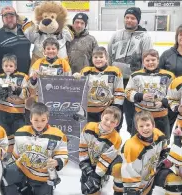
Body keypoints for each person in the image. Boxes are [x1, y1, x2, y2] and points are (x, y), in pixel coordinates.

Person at [122, 110, 182, 195]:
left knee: (176, 182)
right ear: (136, 128)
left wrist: (166, 152)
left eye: (148, 125)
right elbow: (128, 170)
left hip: (156, 171)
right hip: (142, 180)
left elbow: (164, 149)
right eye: (141, 126)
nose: (145, 129)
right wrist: (131, 192)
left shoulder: (158, 134)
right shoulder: (132, 146)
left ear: (153, 125)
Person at [108, 7, 153, 135]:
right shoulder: (116, 35)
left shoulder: (145, 37)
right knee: (114, 114)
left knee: (131, 115)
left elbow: (147, 59)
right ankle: (111, 140)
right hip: (116, 81)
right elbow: (109, 56)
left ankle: (133, 141)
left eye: (133, 18)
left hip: (131, 82)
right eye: (127, 17)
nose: (129, 20)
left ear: (138, 20)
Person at [0, 55, 34, 162]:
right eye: (6, 65)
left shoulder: (22, 77)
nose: (8, 68)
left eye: (11, 65)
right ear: (2, 66)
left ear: (15, 66)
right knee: (6, 133)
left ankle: (18, 153)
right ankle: (8, 152)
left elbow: (27, 93)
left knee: (19, 133)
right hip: (3, 112)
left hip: (18, 113)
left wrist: (16, 90)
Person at [79, 106, 123, 195]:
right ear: (102, 116)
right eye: (106, 119)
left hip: (108, 161)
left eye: (113, 122)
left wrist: (95, 176)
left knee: (118, 169)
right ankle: (101, 179)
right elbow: (82, 147)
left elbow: (105, 159)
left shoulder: (116, 139)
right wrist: (87, 167)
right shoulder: (89, 127)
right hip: (92, 160)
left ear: (116, 124)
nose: (108, 123)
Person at [125, 49, 175, 138]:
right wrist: (140, 96)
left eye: (153, 60)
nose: (150, 62)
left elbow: (174, 95)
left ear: (158, 61)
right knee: (137, 143)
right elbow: (128, 92)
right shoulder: (135, 75)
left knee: (162, 143)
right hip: (140, 116)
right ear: (143, 62)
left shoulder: (168, 76)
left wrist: (163, 102)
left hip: (161, 117)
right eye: (147, 60)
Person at [74, 46, 124, 127]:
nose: (98, 59)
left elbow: (119, 91)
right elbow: (78, 88)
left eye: (101, 57)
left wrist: (116, 107)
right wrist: (76, 79)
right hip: (89, 111)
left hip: (106, 110)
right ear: (92, 59)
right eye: (95, 57)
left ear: (106, 58)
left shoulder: (115, 71)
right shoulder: (86, 71)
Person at [25, 37, 72, 122]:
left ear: (57, 50)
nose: (51, 51)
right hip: (41, 98)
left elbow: (69, 80)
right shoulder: (38, 62)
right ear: (44, 50)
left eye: (53, 48)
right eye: (48, 49)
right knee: (42, 119)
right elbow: (31, 83)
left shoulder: (63, 63)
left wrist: (64, 92)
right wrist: (34, 78)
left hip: (58, 98)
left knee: (56, 120)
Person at [0, 6, 31, 79]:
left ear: (16, 17)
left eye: (12, 16)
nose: (9, 20)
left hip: (26, 77)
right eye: (6, 17)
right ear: (2, 19)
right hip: (6, 80)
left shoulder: (25, 31)